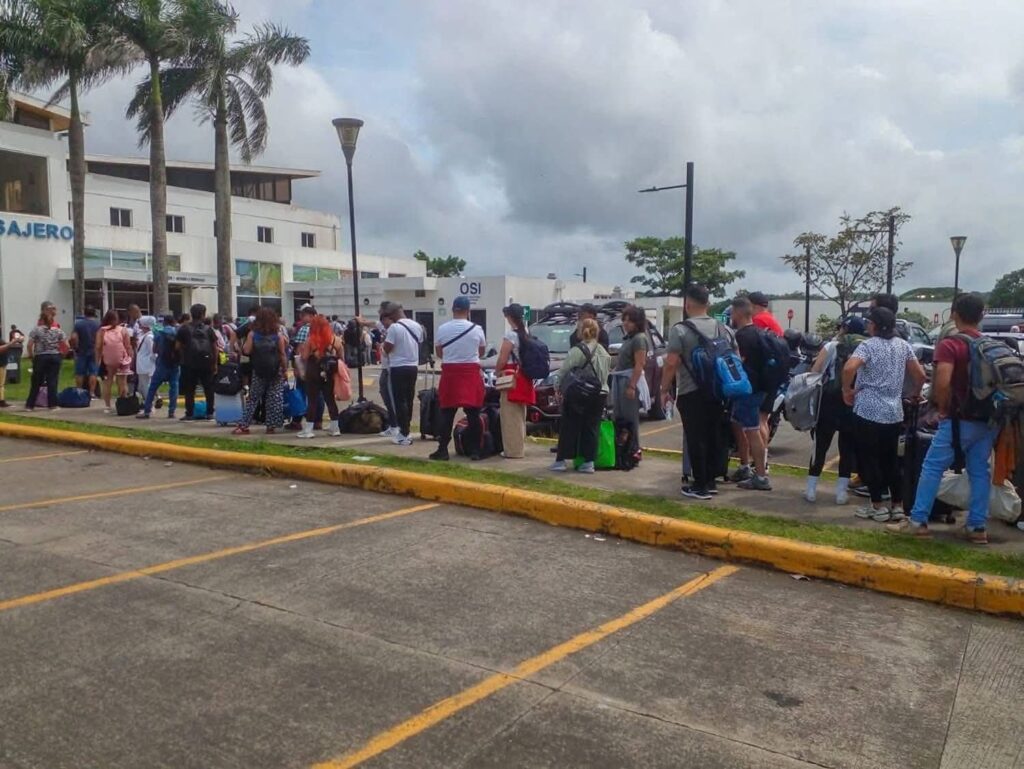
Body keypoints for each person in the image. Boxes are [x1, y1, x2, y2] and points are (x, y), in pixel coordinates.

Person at [888, 294, 998, 543]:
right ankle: (977, 527)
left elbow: (943, 381)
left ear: (954, 314)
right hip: (987, 421)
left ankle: (918, 521)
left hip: (958, 419)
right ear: (981, 316)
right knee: (980, 471)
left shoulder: (951, 344)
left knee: (933, 467)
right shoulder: (989, 345)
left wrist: (943, 408)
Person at [841, 307, 925, 521]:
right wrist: (914, 395)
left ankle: (877, 505)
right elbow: (920, 375)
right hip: (893, 411)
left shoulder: (867, 346)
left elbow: (849, 368)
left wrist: (847, 390)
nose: (868, 325)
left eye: (869, 322)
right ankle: (897, 504)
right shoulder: (903, 346)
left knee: (869, 459)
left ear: (875, 325)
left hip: (868, 409)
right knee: (891, 460)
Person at [661, 284, 736, 500]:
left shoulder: (680, 329)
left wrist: (664, 389)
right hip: (719, 391)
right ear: (708, 304)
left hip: (690, 390)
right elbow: (736, 357)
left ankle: (700, 485)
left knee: (696, 437)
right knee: (714, 434)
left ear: (688, 304)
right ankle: (711, 481)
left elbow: (671, 363)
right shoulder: (724, 329)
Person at [805, 316, 866, 503]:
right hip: (853, 399)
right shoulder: (865, 347)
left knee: (821, 445)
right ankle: (841, 493)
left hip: (829, 400)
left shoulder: (831, 346)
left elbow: (815, 371)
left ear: (845, 328)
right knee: (847, 447)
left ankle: (811, 489)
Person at [430, 296, 487, 461]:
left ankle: (442, 449)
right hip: (471, 372)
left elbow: (440, 353)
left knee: (446, 413)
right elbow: (481, 352)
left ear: (453, 310)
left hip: (450, 373)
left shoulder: (442, 329)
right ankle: (476, 450)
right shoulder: (477, 329)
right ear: (468, 311)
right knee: (474, 414)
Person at [553, 318, 611, 473]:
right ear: (597, 332)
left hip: (578, 394)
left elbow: (563, 371)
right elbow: (605, 376)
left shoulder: (576, 351)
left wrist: (557, 388)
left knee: (569, 426)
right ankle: (589, 462)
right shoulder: (604, 353)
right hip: (599, 394)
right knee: (591, 427)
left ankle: (561, 461)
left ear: (580, 332)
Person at [728, 297, 771, 490]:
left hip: (747, 390)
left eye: (732, 311)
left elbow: (738, 363)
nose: (730, 315)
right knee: (739, 424)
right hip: (760, 387)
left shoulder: (742, 337)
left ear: (738, 312)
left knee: (752, 430)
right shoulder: (760, 333)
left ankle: (760, 475)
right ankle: (746, 466)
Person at [234, 307, 288, 435]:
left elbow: (246, 351)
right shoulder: (278, 336)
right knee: (273, 399)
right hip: (275, 371)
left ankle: (244, 425)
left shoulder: (253, 334)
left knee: (253, 399)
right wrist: (285, 370)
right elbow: (282, 354)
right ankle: (271, 426)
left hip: (258, 371)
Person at [494, 303, 535, 459]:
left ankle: (513, 451)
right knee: (520, 414)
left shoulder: (511, 335)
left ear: (510, 317)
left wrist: (498, 371)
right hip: (523, 377)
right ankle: (520, 446)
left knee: (509, 415)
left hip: (511, 378)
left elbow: (502, 358)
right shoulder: (526, 333)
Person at [381, 303, 423, 446]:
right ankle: (407, 428)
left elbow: (387, 348)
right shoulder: (417, 326)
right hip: (413, 366)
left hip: (398, 367)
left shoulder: (394, 327)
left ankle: (404, 433)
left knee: (399, 400)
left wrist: (383, 347)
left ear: (392, 314)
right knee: (409, 398)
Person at [297, 314, 344, 438]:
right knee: (330, 399)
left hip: (313, 372)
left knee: (312, 400)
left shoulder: (311, 340)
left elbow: (304, 357)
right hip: (329, 373)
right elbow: (341, 358)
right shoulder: (336, 340)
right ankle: (335, 428)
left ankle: (308, 429)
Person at [611, 305, 650, 446]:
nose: (626, 323)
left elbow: (640, 364)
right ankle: (623, 451)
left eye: (630, 320)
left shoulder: (639, 339)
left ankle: (633, 450)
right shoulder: (628, 338)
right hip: (621, 379)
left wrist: (632, 386)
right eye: (624, 320)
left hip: (629, 380)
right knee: (620, 418)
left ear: (637, 322)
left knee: (630, 419)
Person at [176, 303, 218, 421]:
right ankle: (210, 413)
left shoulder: (184, 328)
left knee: (190, 389)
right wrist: (214, 363)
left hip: (189, 363)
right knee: (208, 388)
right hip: (206, 363)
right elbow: (215, 347)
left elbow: (177, 346)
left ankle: (189, 413)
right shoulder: (208, 329)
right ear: (203, 315)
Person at [25, 301, 65, 411]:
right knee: (52, 381)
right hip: (54, 356)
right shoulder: (58, 329)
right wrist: (62, 354)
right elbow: (66, 345)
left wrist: (31, 356)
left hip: (40, 356)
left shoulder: (36, 329)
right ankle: (53, 404)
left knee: (36, 381)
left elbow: (29, 344)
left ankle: (30, 405)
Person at [139, 315, 180, 419]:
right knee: (174, 388)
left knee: (152, 387)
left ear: (164, 322)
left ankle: (147, 411)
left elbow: (154, 350)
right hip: (175, 364)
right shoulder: (177, 332)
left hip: (162, 364)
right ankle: (171, 411)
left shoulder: (159, 333)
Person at [95, 309, 132, 412]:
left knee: (108, 382)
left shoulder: (102, 330)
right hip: (122, 359)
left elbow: (98, 346)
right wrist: (130, 357)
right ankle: (122, 403)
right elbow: (128, 346)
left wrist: (97, 359)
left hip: (107, 360)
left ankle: (107, 406)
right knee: (122, 382)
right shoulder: (123, 330)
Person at [70, 305, 100, 396]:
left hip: (81, 351)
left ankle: (79, 391)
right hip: (94, 351)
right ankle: (92, 392)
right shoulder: (98, 324)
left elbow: (73, 337)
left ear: (84, 313)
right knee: (93, 372)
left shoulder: (78, 324)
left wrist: (75, 347)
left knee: (80, 372)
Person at [135, 316, 157, 402]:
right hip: (142, 365)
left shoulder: (149, 337)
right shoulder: (143, 335)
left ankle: (149, 403)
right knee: (142, 386)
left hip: (146, 365)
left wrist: (153, 362)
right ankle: (148, 402)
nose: (139, 326)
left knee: (146, 386)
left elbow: (153, 352)